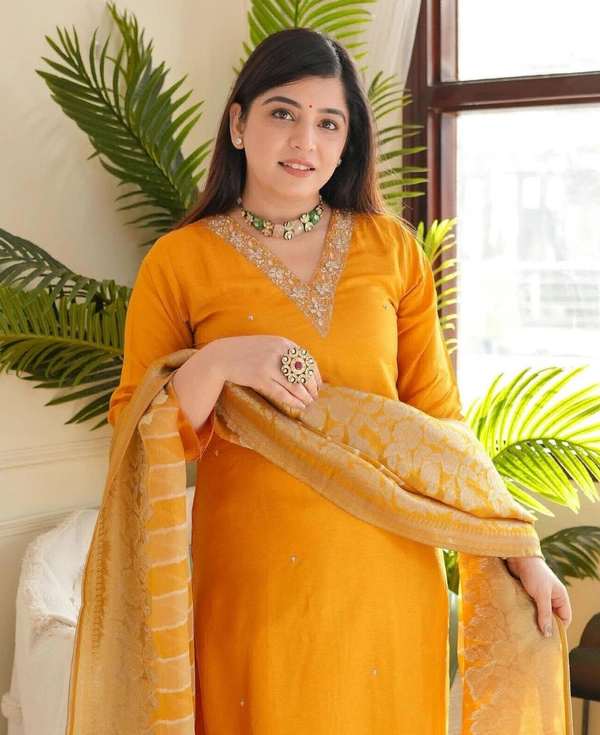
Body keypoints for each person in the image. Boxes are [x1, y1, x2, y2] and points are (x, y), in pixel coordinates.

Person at [107, 27, 572, 734]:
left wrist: (521, 550)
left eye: (330, 122)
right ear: (238, 123)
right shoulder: (180, 262)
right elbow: (132, 436)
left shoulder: (392, 249)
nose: (305, 141)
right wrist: (219, 362)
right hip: (256, 586)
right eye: (283, 113)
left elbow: (440, 427)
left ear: (349, 140)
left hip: (390, 580)